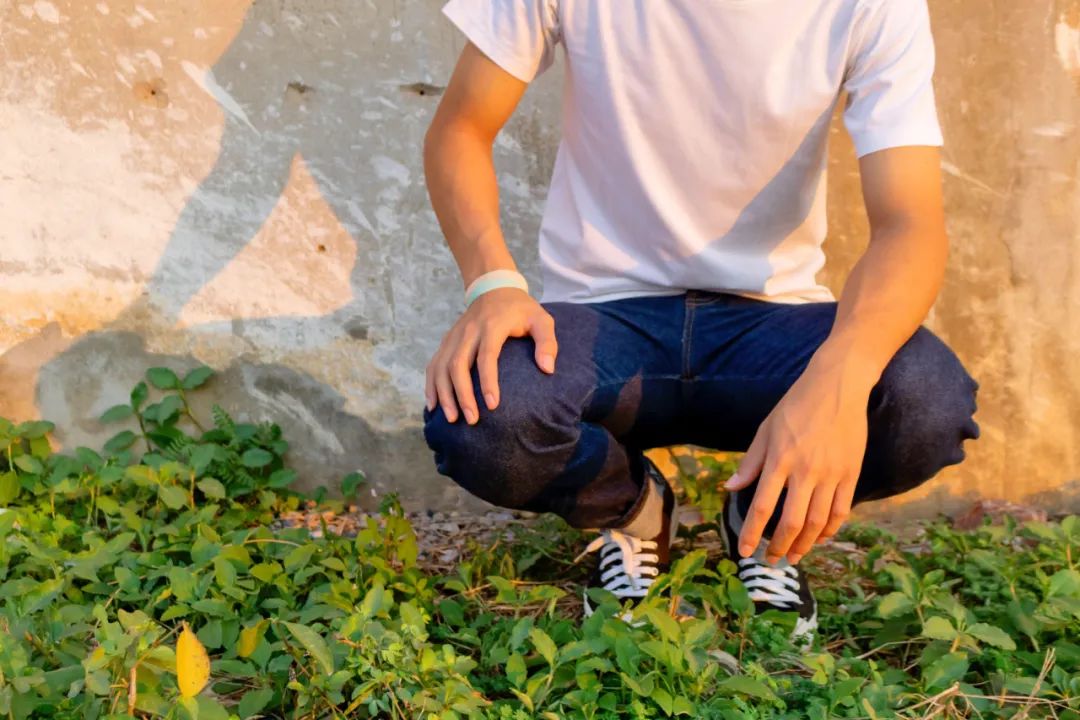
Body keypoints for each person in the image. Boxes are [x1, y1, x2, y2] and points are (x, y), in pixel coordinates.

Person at [420, 0, 980, 638]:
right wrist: (492, 283)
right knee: (485, 412)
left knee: (925, 402)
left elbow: (911, 223)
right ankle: (634, 512)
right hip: (606, 319)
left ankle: (760, 514)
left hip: (767, 326)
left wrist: (839, 381)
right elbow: (460, 130)